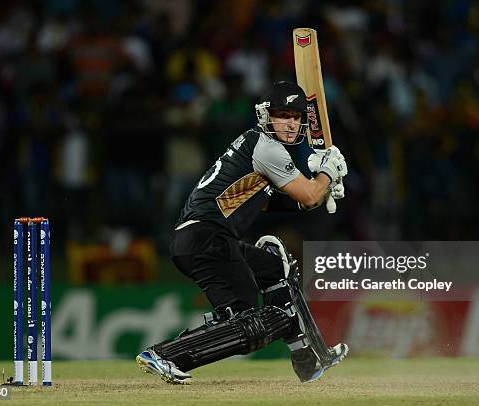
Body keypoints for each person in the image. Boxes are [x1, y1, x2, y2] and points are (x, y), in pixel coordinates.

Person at [136, 81, 348, 384]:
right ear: (267, 116)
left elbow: (261, 201)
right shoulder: (269, 149)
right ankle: (166, 354)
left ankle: (308, 358)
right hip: (206, 240)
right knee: (248, 321)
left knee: (274, 269)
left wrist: (319, 187)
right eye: (282, 115)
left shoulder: (254, 144)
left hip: (204, 237)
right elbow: (310, 194)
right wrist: (328, 173)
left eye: (296, 116)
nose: (290, 123)